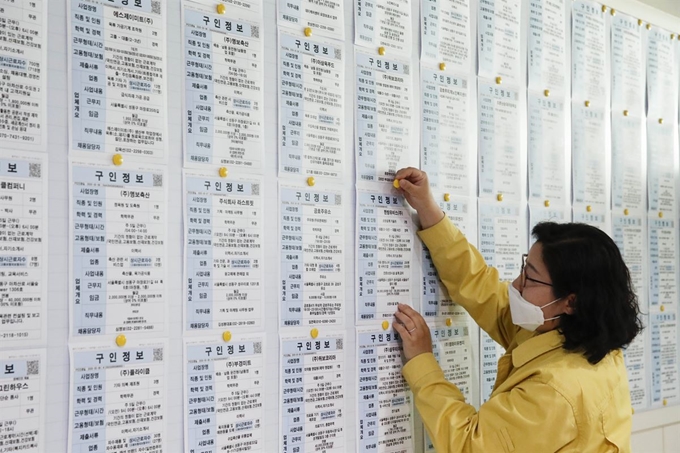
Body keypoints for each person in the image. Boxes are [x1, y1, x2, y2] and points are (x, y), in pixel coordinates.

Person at [391, 167, 643, 453]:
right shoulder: (570, 335)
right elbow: (479, 286)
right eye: (524, 267)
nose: (516, 283)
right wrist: (427, 208)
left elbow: (467, 445)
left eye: (530, 278)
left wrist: (423, 361)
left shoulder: (556, 390)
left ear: (571, 301)